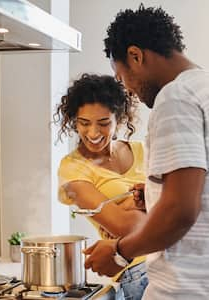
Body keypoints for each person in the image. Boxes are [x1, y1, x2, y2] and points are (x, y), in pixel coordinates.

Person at [83, 4, 209, 300]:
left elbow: (180, 211)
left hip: (184, 290)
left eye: (121, 77)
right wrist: (156, 194)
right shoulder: (203, 87)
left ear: (135, 56)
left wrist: (118, 253)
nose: (127, 90)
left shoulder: (175, 97)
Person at [54, 73, 148, 299]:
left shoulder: (145, 150)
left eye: (104, 123)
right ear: (73, 121)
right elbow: (128, 228)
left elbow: (184, 207)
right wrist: (147, 203)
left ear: (119, 119)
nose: (93, 133)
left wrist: (130, 206)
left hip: (178, 260)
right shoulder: (72, 169)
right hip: (139, 272)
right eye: (84, 123)